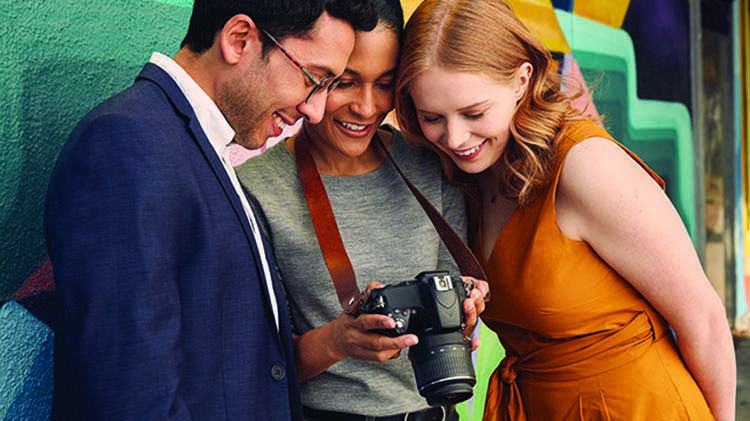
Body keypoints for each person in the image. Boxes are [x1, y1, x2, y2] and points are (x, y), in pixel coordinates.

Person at [394, 1, 737, 420]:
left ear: (522, 80)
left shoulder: (584, 165)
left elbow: (704, 320)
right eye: (432, 117)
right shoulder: (465, 170)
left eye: (474, 113)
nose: (455, 136)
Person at [44, 1, 378, 419]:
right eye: (315, 79)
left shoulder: (191, 144)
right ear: (239, 39)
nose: (315, 109)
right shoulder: (125, 145)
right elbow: (135, 398)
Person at [236, 1, 489, 419]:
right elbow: (256, 366)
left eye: (385, 83)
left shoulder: (431, 165)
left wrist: (465, 309)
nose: (368, 107)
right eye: (344, 83)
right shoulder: (258, 188)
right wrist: (338, 341)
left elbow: (458, 306)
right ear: (314, 78)